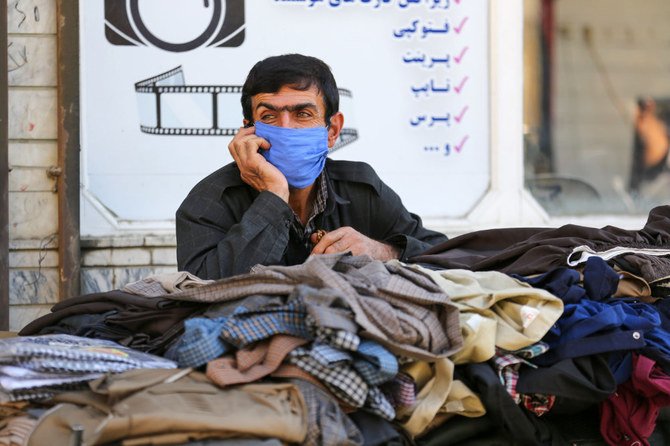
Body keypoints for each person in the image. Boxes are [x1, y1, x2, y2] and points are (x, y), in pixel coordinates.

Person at [176, 54, 448, 280]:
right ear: (248, 130)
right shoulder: (209, 201)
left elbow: (449, 258)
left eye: (302, 114)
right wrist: (273, 197)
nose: (285, 128)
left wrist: (383, 251)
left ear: (333, 130)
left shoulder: (361, 189)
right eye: (268, 116)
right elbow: (198, 293)